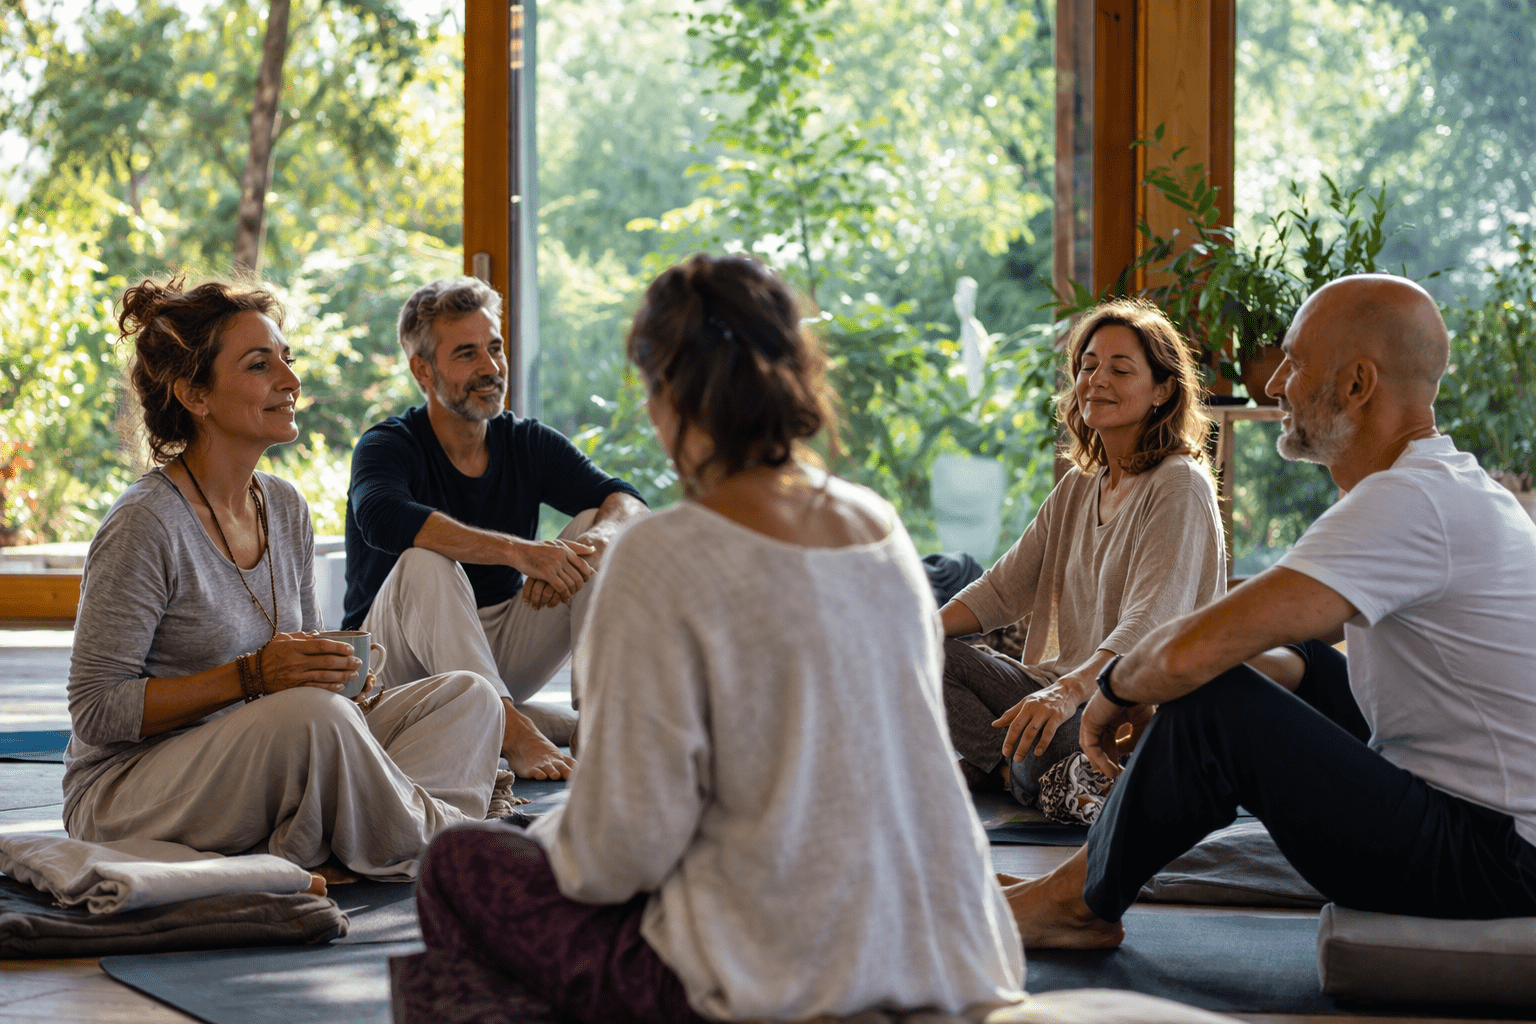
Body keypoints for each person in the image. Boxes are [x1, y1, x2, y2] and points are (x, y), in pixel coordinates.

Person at [395, 254, 1025, 1024]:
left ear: (666, 397)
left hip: (783, 973)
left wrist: (556, 832)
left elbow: (619, 858)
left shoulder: (662, 554)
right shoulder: (881, 528)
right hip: (948, 950)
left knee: (458, 864)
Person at [1007, 274, 1536, 949]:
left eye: (1295, 362)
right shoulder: (1447, 483)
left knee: (1213, 701)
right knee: (1297, 661)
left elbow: (1186, 653)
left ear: (1357, 383)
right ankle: (1077, 886)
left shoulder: (1408, 502)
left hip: (1496, 861)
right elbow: (1283, 650)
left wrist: (1110, 693)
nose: (1275, 385)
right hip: (1493, 832)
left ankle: (1077, 904)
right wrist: (1176, 682)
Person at [64, 276, 505, 883]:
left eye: (287, 359)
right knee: (314, 720)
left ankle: (351, 838)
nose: (291, 381)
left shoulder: (284, 506)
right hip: (129, 790)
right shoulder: (145, 523)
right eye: (259, 365)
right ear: (195, 394)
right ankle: (445, 841)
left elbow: (302, 674)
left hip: (272, 754)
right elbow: (95, 710)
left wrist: (342, 680)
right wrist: (251, 678)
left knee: (469, 699)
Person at [343, 278, 648, 781]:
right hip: (391, 668)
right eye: (467, 354)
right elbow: (381, 516)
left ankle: (596, 723)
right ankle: (513, 730)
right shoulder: (388, 445)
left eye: (496, 347)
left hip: (497, 652)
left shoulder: (525, 442)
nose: (491, 367)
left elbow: (628, 500)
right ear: (423, 370)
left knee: (598, 528)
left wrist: (592, 544)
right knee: (424, 560)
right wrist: (521, 553)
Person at [939, 298, 1223, 814]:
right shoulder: (1078, 485)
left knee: (1055, 738)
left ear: (1162, 390)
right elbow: (1000, 591)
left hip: (1127, 707)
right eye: (1088, 366)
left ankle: (1015, 771)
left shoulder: (1179, 484)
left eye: (1120, 369)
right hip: (1059, 691)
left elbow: (1149, 625)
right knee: (923, 655)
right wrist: (906, 634)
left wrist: (1068, 691)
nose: (1097, 380)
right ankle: (1015, 774)